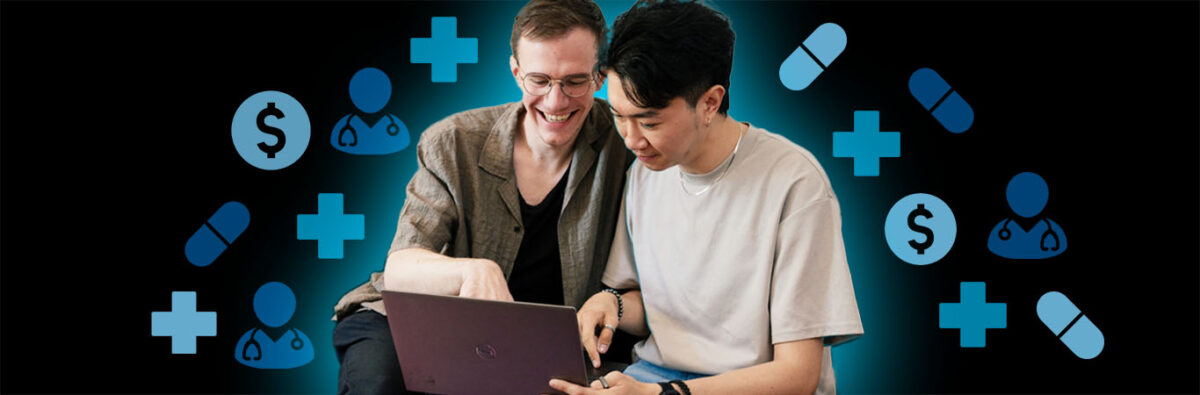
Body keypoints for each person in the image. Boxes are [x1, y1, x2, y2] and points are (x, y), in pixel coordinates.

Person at [549, 1, 864, 394]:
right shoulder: (647, 173)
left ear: (710, 103)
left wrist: (665, 394)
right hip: (652, 376)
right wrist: (613, 305)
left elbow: (798, 375)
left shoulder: (795, 184)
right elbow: (660, 307)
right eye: (618, 115)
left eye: (648, 121)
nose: (630, 139)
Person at [330, 1, 634, 393]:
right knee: (377, 383)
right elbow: (401, 269)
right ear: (516, 72)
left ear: (599, 77)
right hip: (420, 318)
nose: (556, 101)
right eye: (539, 80)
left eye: (574, 81)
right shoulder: (454, 141)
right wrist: (474, 271)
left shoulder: (628, 141)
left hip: (541, 341)